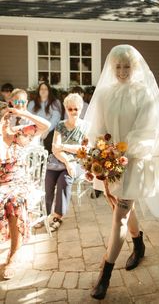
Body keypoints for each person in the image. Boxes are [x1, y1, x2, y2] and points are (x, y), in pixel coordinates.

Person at [84, 44, 159, 300]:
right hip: (110, 162)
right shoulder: (106, 93)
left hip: (132, 162)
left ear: (135, 67)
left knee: (119, 215)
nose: (122, 71)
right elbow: (98, 127)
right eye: (118, 66)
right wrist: (101, 153)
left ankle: (105, 276)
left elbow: (146, 131)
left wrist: (121, 152)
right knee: (120, 208)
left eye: (127, 66)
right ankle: (139, 244)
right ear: (112, 67)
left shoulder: (144, 94)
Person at [0, 90, 50, 280]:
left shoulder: (18, 134)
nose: (4, 123)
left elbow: (46, 125)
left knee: (14, 201)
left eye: (6, 119)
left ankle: (13, 255)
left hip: (18, 182)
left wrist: (22, 114)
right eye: (1, 119)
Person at [45, 93, 87, 232]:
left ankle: (57, 217)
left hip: (76, 162)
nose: (74, 112)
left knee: (64, 180)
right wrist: (67, 160)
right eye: (70, 109)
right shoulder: (60, 125)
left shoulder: (85, 126)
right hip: (58, 162)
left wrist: (63, 147)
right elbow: (54, 148)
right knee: (48, 183)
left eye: (76, 109)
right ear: (66, 109)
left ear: (81, 109)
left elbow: (83, 150)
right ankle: (44, 215)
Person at [27, 82, 62, 153]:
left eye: (46, 89)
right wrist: (35, 131)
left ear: (49, 91)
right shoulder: (32, 104)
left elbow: (55, 118)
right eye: (41, 89)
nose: (43, 91)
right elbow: (28, 118)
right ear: (38, 91)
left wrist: (47, 130)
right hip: (34, 131)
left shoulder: (55, 102)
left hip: (49, 131)